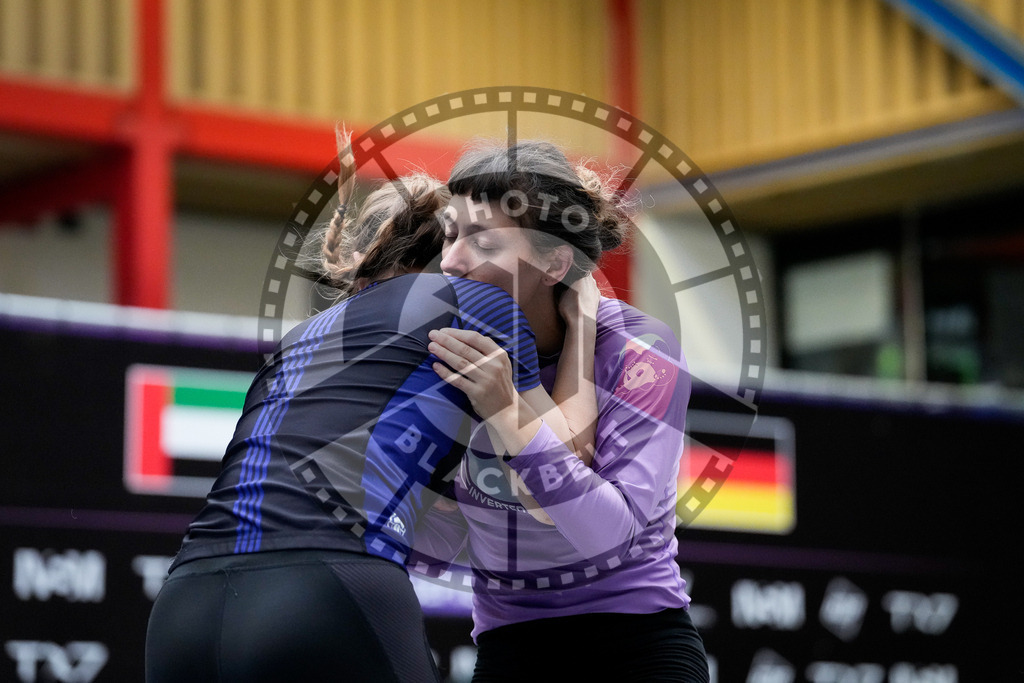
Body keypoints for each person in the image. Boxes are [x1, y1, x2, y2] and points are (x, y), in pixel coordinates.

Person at [144, 156, 562, 682]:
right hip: (325, 589)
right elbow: (562, 472)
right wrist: (584, 324)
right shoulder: (475, 302)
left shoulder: (300, 337)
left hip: (184, 604)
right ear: (446, 253)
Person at [412, 139, 710, 682]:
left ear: (554, 263)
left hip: (638, 645)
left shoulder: (641, 350)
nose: (450, 262)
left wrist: (507, 410)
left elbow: (606, 535)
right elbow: (439, 542)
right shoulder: (438, 347)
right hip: (510, 646)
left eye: (483, 241)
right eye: (450, 234)